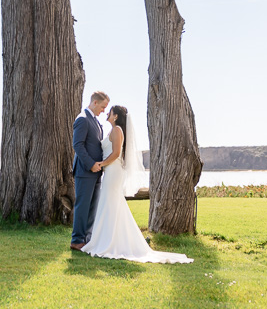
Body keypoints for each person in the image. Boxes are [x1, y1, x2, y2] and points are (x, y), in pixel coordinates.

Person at [81, 105, 193, 264]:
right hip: (110, 171)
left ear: (116, 116)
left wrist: (101, 163)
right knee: (111, 204)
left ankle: (109, 242)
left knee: (111, 203)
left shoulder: (118, 130)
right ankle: (107, 239)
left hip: (113, 172)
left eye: (110, 112)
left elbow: (116, 153)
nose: (107, 113)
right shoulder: (113, 130)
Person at [70, 90, 110, 250]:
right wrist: (91, 164)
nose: (104, 111)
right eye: (102, 107)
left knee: (92, 208)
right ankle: (77, 240)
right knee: (83, 206)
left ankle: (87, 239)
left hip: (96, 173)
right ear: (94, 103)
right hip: (85, 172)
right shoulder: (83, 119)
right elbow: (77, 145)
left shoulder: (95, 121)